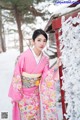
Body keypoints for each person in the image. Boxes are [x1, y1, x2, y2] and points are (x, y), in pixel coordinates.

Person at [8, 29, 59, 120]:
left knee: (36, 116)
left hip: (35, 95)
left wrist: (56, 68)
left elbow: (46, 77)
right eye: (38, 40)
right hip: (23, 95)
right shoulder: (23, 56)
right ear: (33, 41)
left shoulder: (45, 59)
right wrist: (17, 93)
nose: (42, 43)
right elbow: (17, 76)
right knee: (27, 116)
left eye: (44, 41)